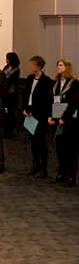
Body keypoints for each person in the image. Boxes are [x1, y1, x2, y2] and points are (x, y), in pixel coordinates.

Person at [23, 56, 54, 178]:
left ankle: (43, 168)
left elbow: (47, 100)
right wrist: (26, 109)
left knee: (41, 142)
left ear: (38, 66)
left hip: (40, 115)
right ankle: (35, 165)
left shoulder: (46, 81)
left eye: (32, 64)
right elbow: (26, 95)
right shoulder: (30, 78)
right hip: (30, 113)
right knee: (33, 142)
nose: (30, 67)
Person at [52, 58, 76, 187]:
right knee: (60, 147)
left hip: (70, 120)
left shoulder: (74, 84)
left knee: (70, 149)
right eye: (58, 65)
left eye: (61, 65)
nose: (59, 68)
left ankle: (71, 175)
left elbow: (73, 104)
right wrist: (53, 117)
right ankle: (62, 173)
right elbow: (55, 101)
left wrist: (64, 118)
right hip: (58, 117)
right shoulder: (57, 83)